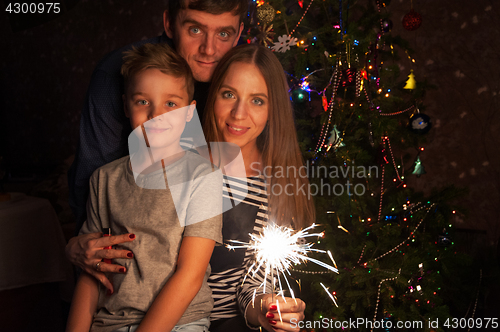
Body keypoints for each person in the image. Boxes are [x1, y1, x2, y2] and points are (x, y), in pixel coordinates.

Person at [66, 43, 223, 332]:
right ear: (126, 105)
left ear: (189, 113)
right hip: (110, 321)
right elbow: (91, 271)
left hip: (180, 322)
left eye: (171, 104)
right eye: (143, 102)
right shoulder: (104, 180)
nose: (156, 115)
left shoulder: (204, 177)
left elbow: (189, 276)